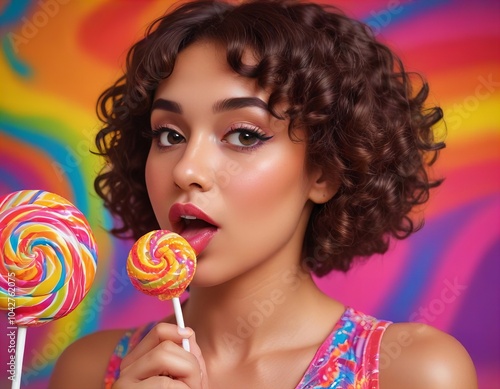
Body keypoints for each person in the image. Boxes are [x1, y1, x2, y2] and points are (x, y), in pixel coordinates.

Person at [49, 0, 478, 388]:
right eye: (170, 134)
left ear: (324, 172)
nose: (186, 169)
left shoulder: (413, 372)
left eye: (243, 134)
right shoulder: (88, 370)